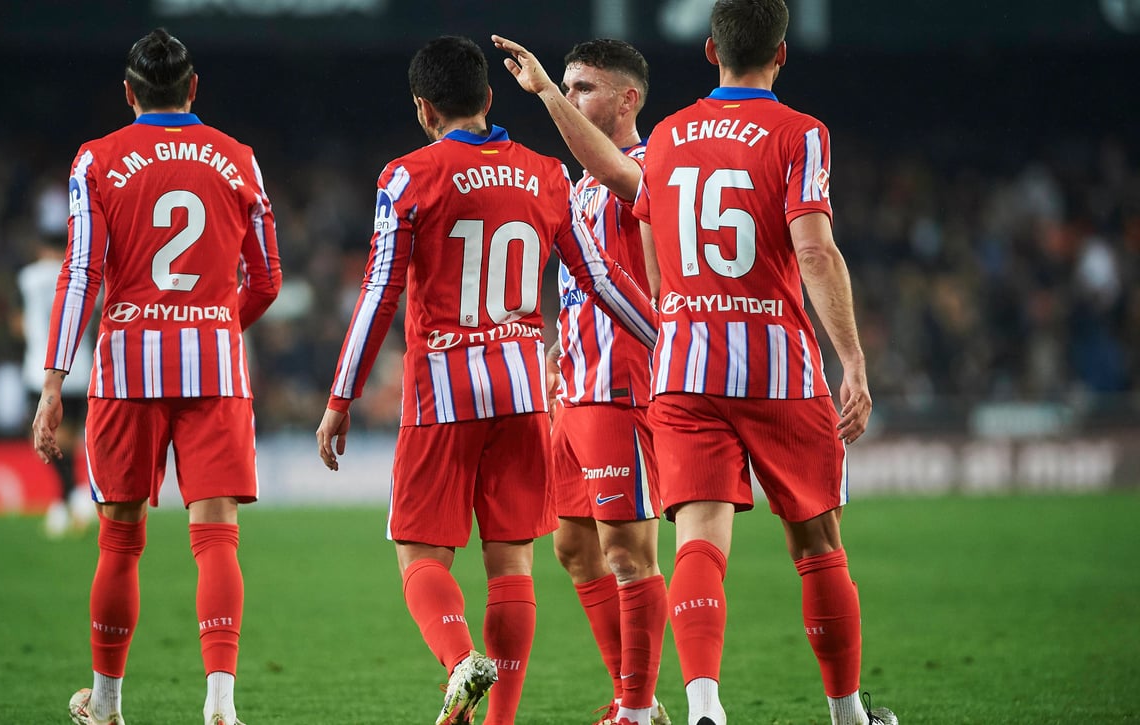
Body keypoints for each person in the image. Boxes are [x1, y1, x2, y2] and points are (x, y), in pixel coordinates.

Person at [315, 36, 656, 725]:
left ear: (423, 109)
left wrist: (340, 397)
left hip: (442, 395)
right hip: (525, 393)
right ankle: (498, 720)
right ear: (490, 99)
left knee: (422, 556)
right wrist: (669, 340)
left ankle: (458, 657)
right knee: (513, 566)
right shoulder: (546, 174)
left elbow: (380, 292)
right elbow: (599, 278)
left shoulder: (408, 176)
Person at [630, 2, 897, 724]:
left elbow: (654, 255)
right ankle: (846, 715)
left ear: (710, 49)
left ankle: (705, 707)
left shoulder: (664, 136)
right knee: (816, 542)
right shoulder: (801, 133)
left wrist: (684, 315)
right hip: (777, 365)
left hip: (685, 367)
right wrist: (854, 361)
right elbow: (812, 249)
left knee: (698, 539)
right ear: (782, 55)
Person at [32, 28, 281, 725]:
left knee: (119, 537)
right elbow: (266, 277)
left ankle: (107, 702)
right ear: (193, 88)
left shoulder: (97, 161)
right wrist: (218, 326)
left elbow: (80, 273)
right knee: (216, 536)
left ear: (129, 92)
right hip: (215, 369)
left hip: (125, 370)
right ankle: (222, 706)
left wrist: (54, 380)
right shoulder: (239, 159)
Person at [493, 34, 669, 725]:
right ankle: (639, 701)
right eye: (564, 87)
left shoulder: (650, 166)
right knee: (572, 544)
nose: (569, 98)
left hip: (623, 381)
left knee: (628, 549)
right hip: (575, 385)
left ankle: (635, 706)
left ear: (628, 99)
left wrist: (538, 93)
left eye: (582, 88)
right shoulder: (584, 183)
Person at [18, 233, 95, 538]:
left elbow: (18, 321)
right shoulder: (84, 276)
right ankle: (71, 499)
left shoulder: (27, 278)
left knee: (43, 437)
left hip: (42, 370)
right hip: (80, 366)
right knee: (71, 438)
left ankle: (69, 497)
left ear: (40, 248)